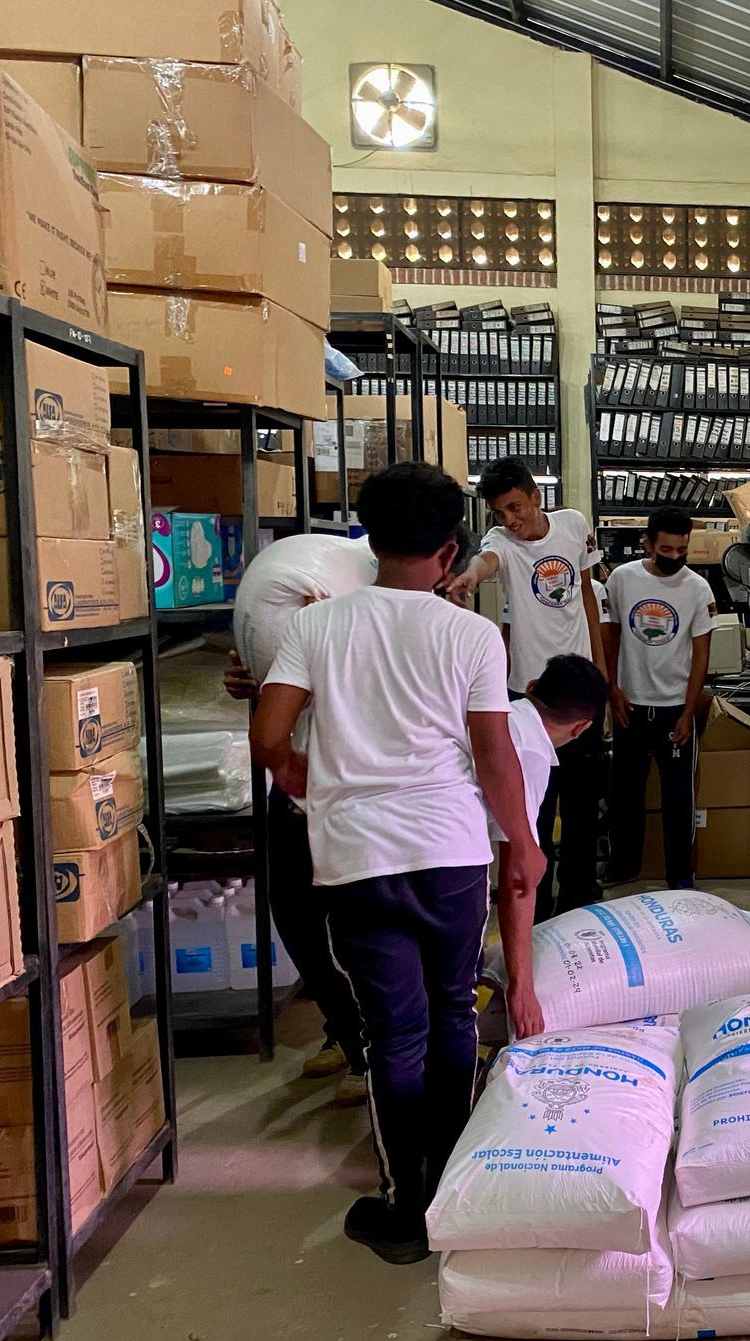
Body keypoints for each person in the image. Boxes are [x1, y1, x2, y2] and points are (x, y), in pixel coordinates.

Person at [250, 463, 540, 1265]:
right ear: (449, 553)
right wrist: (521, 839)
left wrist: (311, 784)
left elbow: (270, 737)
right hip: (450, 851)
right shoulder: (472, 634)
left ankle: (404, 1206)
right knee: (452, 1013)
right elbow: (493, 753)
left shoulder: (317, 627)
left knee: (391, 1034)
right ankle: (454, 1189)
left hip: (357, 859)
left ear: (368, 541)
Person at [222, 523, 479, 1104]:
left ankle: (378, 1052)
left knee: (375, 939)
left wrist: (320, 654)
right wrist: (266, 681)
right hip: (300, 776)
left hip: (368, 793)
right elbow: (274, 714)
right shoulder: (334, 597)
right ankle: (347, 1030)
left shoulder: (434, 625)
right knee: (296, 916)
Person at [448, 457, 606, 916]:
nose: (509, 520)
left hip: (579, 690)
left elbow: (587, 596)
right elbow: (485, 561)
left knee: (582, 807)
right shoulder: (501, 542)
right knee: (534, 810)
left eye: (515, 507)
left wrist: (600, 670)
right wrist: (470, 577)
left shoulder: (574, 525)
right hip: (531, 697)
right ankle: (535, 904)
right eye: (499, 512)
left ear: (537, 496)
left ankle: (580, 899)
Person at [489, 654, 611, 1039]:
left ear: (530, 688)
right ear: (582, 728)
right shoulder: (529, 750)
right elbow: (518, 879)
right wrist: (521, 989)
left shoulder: (496, 714)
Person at [602, 508, 716, 889]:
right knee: (624, 794)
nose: (674, 556)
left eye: (681, 550)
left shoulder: (698, 589)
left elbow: (701, 654)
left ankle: (680, 877)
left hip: (674, 710)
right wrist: (612, 691)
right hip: (629, 706)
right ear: (648, 544)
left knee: (679, 800)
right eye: (665, 548)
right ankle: (623, 867)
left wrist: (688, 711)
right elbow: (611, 637)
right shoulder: (623, 580)